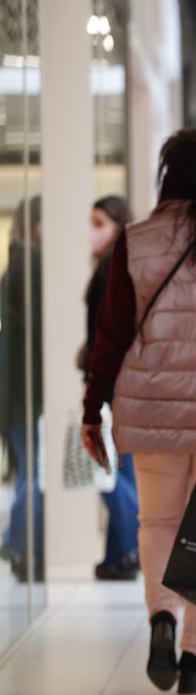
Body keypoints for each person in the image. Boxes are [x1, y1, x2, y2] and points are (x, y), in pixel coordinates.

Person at [83, 128, 196, 694]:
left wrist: (93, 409)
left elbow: (109, 334)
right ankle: (195, 657)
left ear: (168, 174)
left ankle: (161, 616)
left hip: (151, 404)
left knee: (157, 522)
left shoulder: (135, 240)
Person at [82, 195, 141, 581]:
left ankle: (133, 543)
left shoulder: (112, 268)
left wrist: (95, 382)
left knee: (111, 473)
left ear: (119, 224)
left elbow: (108, 332)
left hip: (113, 384)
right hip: (120, 382)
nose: (92, 230)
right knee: (117, 469)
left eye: (100, 221)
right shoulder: (115, 265)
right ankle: (118, 553)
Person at [0, 196, 43, 583]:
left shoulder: (15, 265)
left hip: (16, 393)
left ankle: (16, 542)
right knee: (34, 473)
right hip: (29, 394)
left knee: (30, 472)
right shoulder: (31, 267)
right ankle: (22, 546)